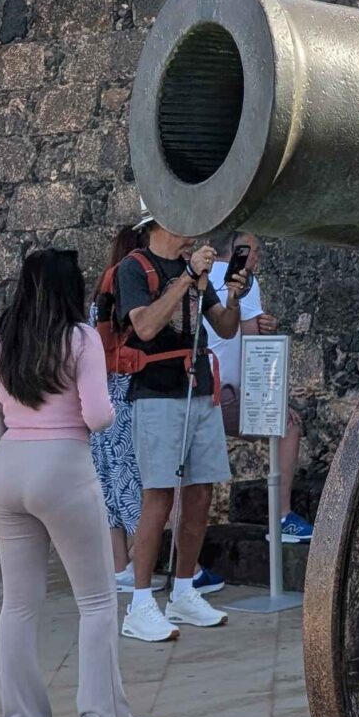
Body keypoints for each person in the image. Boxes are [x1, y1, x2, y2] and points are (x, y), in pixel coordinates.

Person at [0, 247, 153, 717]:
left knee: (18, 604)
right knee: (97, 601)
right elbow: (99, 415)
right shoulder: (79, 337)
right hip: (63, 465)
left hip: (9, 465)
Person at [115, 219, 239, 642]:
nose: (196, 230)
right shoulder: (135, 268)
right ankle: (140, 602)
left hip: (199, 387)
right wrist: (186, 277)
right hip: (156, 391)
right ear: (161, 223)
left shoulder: (194, 267)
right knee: (159, 495)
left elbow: (224, 326)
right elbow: (145, 327)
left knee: (202, 490)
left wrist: (232, 295)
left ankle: (184, 589)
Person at [209, 231, 311, 541]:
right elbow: (254, 348)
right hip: (224, 394)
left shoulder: (196, 277)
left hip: (195, 390)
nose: (258, 257)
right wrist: (272, 401)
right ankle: (281, 517)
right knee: (288, 426)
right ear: (237, 251)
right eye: (253, 250)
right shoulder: (244, 282)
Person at [90, 223, 146, 583]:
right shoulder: (134, 298)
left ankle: (119, 566)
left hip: (103, 398)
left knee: (108, 483)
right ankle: (141, 562)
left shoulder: (98, 301)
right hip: (131, 394)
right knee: (133, 481)